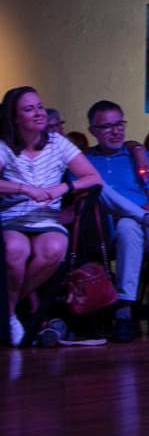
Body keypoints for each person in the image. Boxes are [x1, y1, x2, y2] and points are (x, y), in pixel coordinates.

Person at [0, 86, 103, 346]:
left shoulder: (57, 143)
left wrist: (63, 187)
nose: (38, 113)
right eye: (29, 109)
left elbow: (93, 177)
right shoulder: (5, 145)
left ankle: (8, 309)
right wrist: (23, 188)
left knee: (55, 248)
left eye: (40, 107)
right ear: (15, 118)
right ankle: (11, 315)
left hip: (47, 218)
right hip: (13, 217)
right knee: (15, 250)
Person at [84, 100, 149, 343]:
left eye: (119, 124)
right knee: (96, 187)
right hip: (98, 231)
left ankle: (124, 310)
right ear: (92, 131)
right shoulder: (84, 161)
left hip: (141, 231)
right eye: (106, 126)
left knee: (128, 225)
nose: (116, 131)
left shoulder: (142, 158)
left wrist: (128, 214)